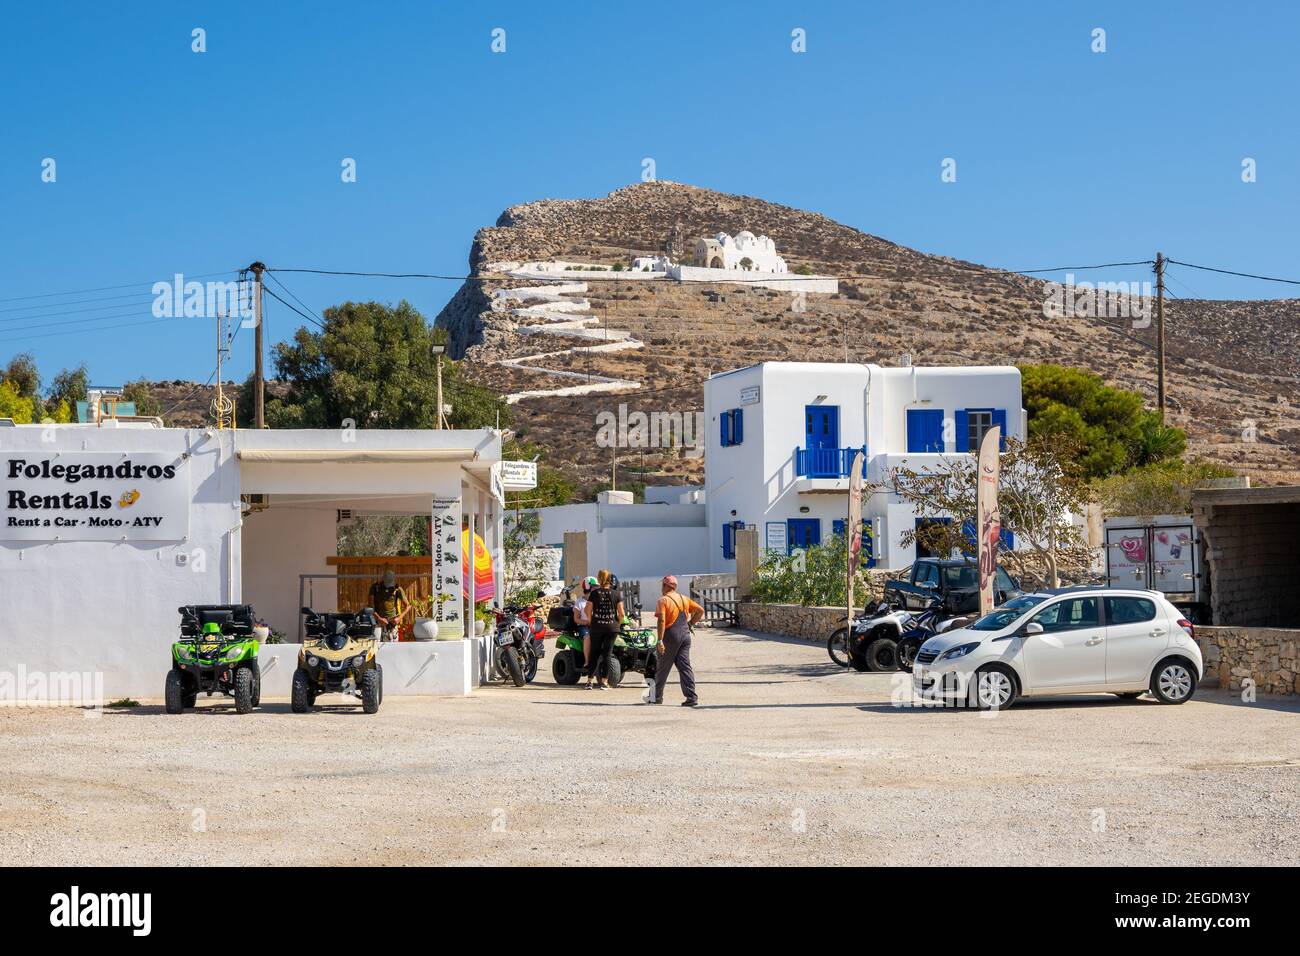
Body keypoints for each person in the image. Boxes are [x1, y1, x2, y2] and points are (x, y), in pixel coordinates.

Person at [652, 575, 704, 706]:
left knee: (662, 667)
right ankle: (691, 697)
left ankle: (657, 697)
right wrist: (690, 624)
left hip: (671, 636)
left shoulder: (663, 600)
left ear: (664, 586)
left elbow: (662, 620)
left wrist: (660, 640)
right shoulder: (684, 599)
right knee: (685, 667)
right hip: (685, 635)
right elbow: (700, 610)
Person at [584, 569, 623, 690]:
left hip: (597, 627)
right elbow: (621, 613)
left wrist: (591, 621)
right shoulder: (616, 594)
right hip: (612, 628)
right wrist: (618, 624)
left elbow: (587, 610)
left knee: (594, 653)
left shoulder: (594, 593)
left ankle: (589, 681)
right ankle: (604, 682)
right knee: (607, 654)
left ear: (600, 579)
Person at [367, 569, 410, 641]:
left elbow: (408, 606)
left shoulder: (397, 589)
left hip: (392, 623)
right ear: (382, 579)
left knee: (393, 648)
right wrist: (378, 618)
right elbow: (370, 606)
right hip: (378, 623)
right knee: (377, 646)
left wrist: (399, 618)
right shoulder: (375, 588)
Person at [573, 576, 595, 675]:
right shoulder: (579, 602)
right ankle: (587, 661)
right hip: (583, 626)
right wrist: (586, 622)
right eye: (594, 587)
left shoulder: (596, 600)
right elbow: (576, 619)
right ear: (588, 588)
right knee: (587, 637)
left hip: (596, 625)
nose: (596, 589)